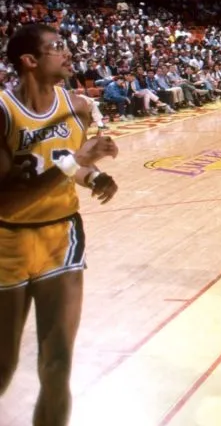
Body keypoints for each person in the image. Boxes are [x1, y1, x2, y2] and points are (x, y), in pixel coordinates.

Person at [0, 24, 120, 426]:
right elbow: (7, 202)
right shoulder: (3, 113)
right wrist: (77, 162)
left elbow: (64, 166)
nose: (67, 53)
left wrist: (93, 175)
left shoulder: (78, 107)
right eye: (56, 47)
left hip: (62, 237)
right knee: (3, 367)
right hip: (7, 241)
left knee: (57, 366)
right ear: (29, 61)